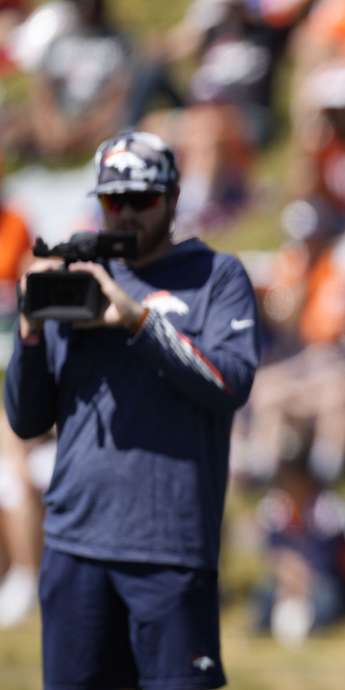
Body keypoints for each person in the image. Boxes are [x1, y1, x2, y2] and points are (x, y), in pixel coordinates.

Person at [5, 130, 260, 690]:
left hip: (168, 548)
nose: (125, 215)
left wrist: (136, 321)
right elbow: (27, 420)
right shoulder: (76, 276)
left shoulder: (218, 277)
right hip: (74, 547)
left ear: (171, 199)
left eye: (141, 200)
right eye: (112, 201)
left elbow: (229, 382)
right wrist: (27, 336)